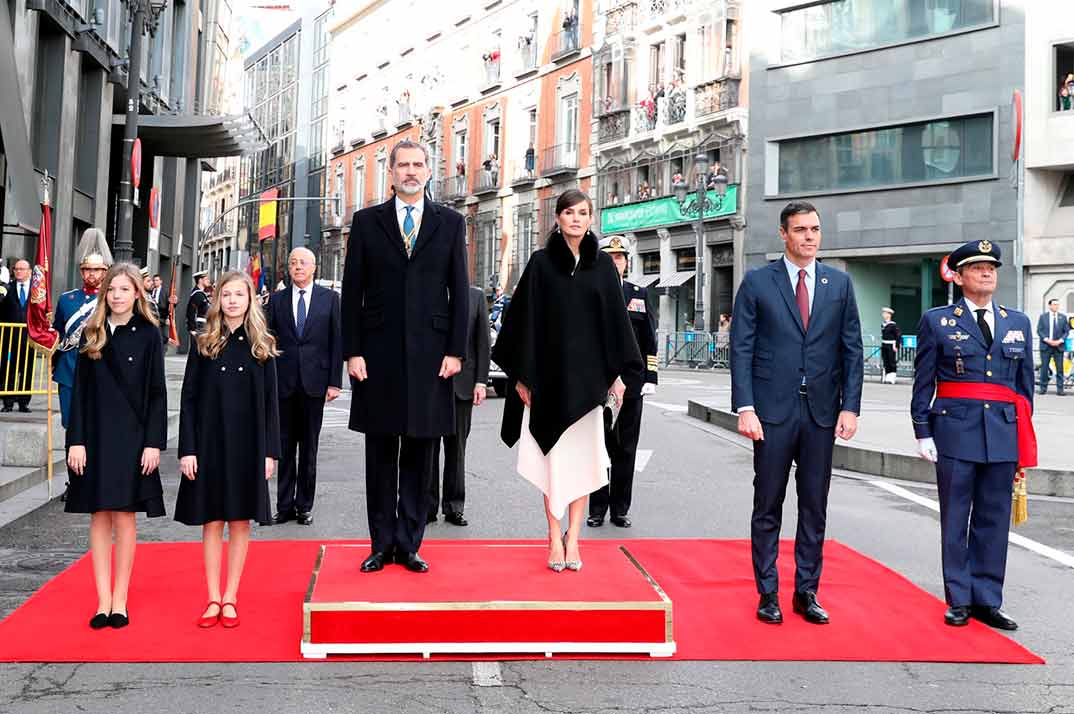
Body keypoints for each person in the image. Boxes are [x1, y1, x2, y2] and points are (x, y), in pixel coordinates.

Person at [493, 190, 642, 571]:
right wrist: (521, 378)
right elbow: (521, 322)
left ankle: (573, 539)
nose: (576, 219)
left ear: (591, 219)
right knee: (552, 464)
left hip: (590, 384)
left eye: (583, 213)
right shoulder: (541, 264)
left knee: (583, 464)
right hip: (546, 381)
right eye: (569, 212)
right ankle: (552, 535)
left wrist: (620, 376)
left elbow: (616, 325)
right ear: (557, 218)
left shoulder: (604, 267)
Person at [730, 201, 863, 625]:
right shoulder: (757, 283)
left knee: (814, 505)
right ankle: (767, 591)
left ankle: (807, 591)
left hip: (822, 413)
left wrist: (851, 407)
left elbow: (852, 350)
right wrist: (745, 406)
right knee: (767, 502)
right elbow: (742, 348)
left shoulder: (838, 285)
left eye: (815, 229)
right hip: (771, 413)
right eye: (801, 229)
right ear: (783, 234)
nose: (809, 236)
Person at [341, 139, 468, 574]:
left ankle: (409, 543)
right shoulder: (365, 223)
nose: (411, 172)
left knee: (420, 452)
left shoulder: (450, 223)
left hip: (433, 358)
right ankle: (381, 543)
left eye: (418, 165)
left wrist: (456, 351)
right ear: (391, 173)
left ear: (428, 171)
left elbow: (460, 292)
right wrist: (352, 352)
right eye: (403, 165)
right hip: (376, 357)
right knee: (380, 453)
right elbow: (351, 294)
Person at [911, 239, 1036, 631]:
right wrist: (923, 431)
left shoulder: (1018, 322)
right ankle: (959, 599)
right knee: (955, 517)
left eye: (992, 268)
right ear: (960, 276)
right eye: (978, 268)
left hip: (1001, 432)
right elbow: (923, 381)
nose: (987, 273)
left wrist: (1022, 434)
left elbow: (1024, 387)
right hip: (954, 431)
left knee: (994, 519)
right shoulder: (937, 321)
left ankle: (988, 599)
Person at [175, 271, 281, 630]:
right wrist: (187, 449)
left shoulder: (262, 344)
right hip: (208, 443)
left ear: (250, 300)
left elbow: (271, 405)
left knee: (239, 520)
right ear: (217, 300)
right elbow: (188, 399)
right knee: (212, 520)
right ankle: (212, 596)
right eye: (227, 295)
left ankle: (231, 597)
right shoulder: (204, 342)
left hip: (248, 444)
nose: (233, 300)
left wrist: (270, 452)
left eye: (239, 294)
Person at [64, 262, 167, 630]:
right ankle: (102, 599)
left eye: (124, 289)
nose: (117, 295)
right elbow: (79, 395)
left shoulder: (148, 334)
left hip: (133, 438)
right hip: (93, 438)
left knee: (123, 516)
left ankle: (120, 599)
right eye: (112, 290)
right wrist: (75, 440)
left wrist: (154, 443)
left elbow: (157, 394)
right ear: (104, 294)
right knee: (98, 515)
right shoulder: (92, 332)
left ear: (137, 294)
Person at [266, 247, 343, 526]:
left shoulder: (330, 299)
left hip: (315, 384)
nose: (297, 267)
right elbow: (268, 341)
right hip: (283, 384)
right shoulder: (276, 300)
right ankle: (284, 505)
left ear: (314, 268)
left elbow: (337, 342)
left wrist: (335, 382)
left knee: (309, 448)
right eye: (293, 263)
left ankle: (304, 506)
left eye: (303, 263)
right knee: (284, 447)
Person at [588, 235, 657, 529]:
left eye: (620, 257)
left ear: (627, 261)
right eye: (609, 256)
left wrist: (650, 377)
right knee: (599, 448)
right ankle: (596, 508)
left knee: (626, 449)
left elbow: (650, 339)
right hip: (597, 385)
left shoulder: (639, 294)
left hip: (631, 384)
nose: (615, 262)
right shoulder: (590, 291)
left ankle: (620, 509)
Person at [428, 284, 489, 527]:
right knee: (428, 448)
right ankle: (427, 507)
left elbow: (482, 342)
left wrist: (481, 382)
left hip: (463, 385)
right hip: (431, 385)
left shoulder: (475, 296)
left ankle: (454, 507)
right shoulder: (429, 291)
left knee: (457, 449)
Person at [53, 229, 112, 428]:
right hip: (69, 368)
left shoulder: (110, 300)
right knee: (70, 423)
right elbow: (58, 332)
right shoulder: (66, 299)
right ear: (81, 271)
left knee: (93, 424)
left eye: (96, 270)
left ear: (105, 272)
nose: (91, 274)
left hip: (99, 366)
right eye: (87, 269)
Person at [1, 259, 34, 412]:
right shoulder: (7, 289)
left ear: (29, 272)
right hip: (10, 338)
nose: (18, 271)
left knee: (26, 369)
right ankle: (7, 402)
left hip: (29, 337)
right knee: (9, 369)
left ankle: (23, 402)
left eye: (22, 269)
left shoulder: (36, 290)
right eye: (16, 269)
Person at [1037, 298, 1069, 395]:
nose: (1056, 306)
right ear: (1050, 305)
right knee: (1044, 368)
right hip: (1046, 345)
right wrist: (1048, 340)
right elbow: (1039, 330)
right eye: (1054, 304)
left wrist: (1059, 341)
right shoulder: (1043, 317)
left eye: (1058, 305)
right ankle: (1043, 388)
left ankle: (1060, 389)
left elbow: (1066, 331)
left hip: (1058, 346)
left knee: (1060, 368)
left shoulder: (1063, 317)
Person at [186, 270, 211, 338]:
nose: (208, 281)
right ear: (200, 280)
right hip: (198, 327)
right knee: (196, 348)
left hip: (202, 327)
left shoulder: (201, 294)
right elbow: (191, 311)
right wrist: (192, 329)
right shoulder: (197, 294)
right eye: (206, 279)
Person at [880, 307, 901, 384]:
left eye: (885, 313)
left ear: (889, 315)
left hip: (891, 345)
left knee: (891, 361)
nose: (883, 314)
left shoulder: (893, 325)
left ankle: (892, 377)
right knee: (886, 361)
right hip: (884, 344)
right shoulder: (883, 324)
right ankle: (887, 376)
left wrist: (896, 345)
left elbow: (898, 335)